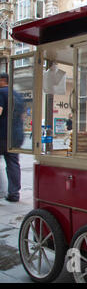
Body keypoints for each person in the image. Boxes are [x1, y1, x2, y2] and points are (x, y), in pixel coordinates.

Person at [0, 73, 23, 202]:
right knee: (13, 163)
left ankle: (0, 191)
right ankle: (14, 194)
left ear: (3, 80)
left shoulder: (1, 92)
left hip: (2, 135)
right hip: (16, 135)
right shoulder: (17, 94)